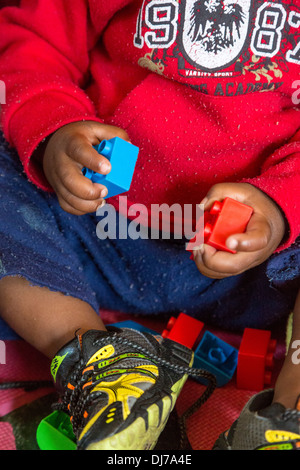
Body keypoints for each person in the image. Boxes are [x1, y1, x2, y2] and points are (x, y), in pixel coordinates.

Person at [0, 0, 299, 450]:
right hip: (90, 231)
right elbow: (33, 44)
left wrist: (280, 206)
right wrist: (53, 131)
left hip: (265, 269)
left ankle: (286, 416)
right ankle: (98, 360)